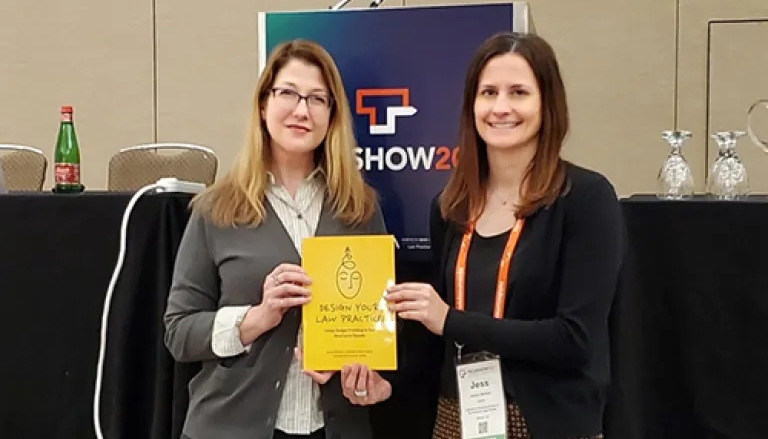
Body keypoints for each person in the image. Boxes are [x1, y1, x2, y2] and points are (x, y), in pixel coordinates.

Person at [385, 32, 624, 439]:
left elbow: (575, 339)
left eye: (518, 93)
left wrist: (452, 321)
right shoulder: (449, 206)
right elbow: (434, 341)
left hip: (549, 423)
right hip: (456, 420)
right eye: (488, 92)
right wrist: (387, 384)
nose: (501, 108)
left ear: (547, 104)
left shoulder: (585, 198)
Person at [164, 39, 393, 439]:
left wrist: (364, 367)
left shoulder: (361, 208)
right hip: (230, 426)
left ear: (332, 116)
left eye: (318, 99)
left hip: (335, 427)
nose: (302, 110)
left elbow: (381, 322)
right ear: (264, 104)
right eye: (289, 93)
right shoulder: (216, 208)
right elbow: (179, 333)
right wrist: (256, 318)